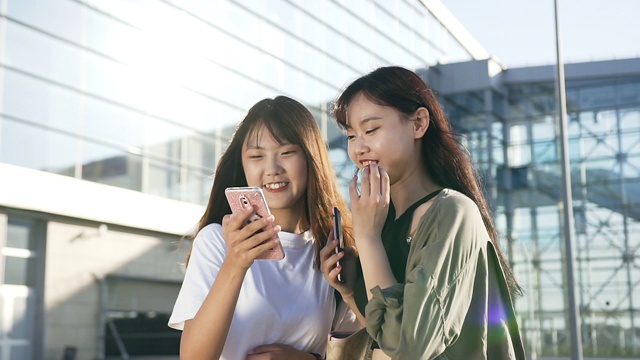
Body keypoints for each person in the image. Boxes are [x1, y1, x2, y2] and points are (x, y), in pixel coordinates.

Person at [320, 66, 525, 359]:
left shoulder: (452, 212)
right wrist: (351, 290)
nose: (358, 148)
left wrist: (367, 238)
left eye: (371, 129)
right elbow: (384, 338)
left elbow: (410, 345)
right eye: (351, 136)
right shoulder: (382, 220)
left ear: (418, 123)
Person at [169, 96, 354, 360]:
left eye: (287, 153)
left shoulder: (331, 248)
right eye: (257, 156)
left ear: (311, 157)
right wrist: (235, 264)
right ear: (242, 164)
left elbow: (362, 347)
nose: (272, 169)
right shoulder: (217, 241)